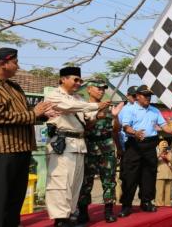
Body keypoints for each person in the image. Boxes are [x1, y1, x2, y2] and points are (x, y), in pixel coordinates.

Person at [0, 48, 58, 227]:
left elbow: (21, 115)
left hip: (20, 150)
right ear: (2, 63)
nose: (18, 66)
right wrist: (33, 114)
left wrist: (43, 115)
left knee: (13, 202)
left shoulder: (14, 87)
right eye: (15, 62)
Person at [45, 67, 106, 227]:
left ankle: (70, 215)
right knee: (60, 183)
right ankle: (60, 219)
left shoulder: (79, 98)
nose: (78, 83)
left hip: (79, 144)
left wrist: (97, 113)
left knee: (75, 184)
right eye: (75, 80)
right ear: (63, 79)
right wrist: (95, 106)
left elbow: (86, 117)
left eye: (80, 81)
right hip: (62, 144)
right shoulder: (54, 95)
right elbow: (67, 107)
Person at [119, 85, 172, 217]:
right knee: (130, 176)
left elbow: (163, 125)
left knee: (149, 175)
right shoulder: (129, 109)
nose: (148, 97)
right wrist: (135, 132)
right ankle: (126, 205)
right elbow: (125, 127)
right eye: (145, 95)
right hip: (134, 145)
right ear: (137, 96)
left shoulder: (154, 110)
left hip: (149, 145)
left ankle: (146, 201)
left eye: (150, 95)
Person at [77, 79, 119, 224]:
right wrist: (96, 115)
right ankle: (83, 212)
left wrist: (115, 117)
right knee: (85, 182)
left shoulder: (109, 107)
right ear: (89, 89)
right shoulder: (83, 107)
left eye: (103, 89)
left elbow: (115, 130)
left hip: (107, 148)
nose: (101, 91)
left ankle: (108, 211)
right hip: (89, 147)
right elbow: (83, 128)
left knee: (109, 181)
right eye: (98, 88)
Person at [155, 140, 172, 207]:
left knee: (168, 192)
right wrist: (160, 153)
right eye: (163, 145)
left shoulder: (169, 152)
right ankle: (159, 204)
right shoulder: (156, 152)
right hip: (160, 174)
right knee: (160, 191)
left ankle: (167, 204)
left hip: (169, 173)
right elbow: (153, 160)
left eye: (166, 145)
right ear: (159, 146)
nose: (164, 146)